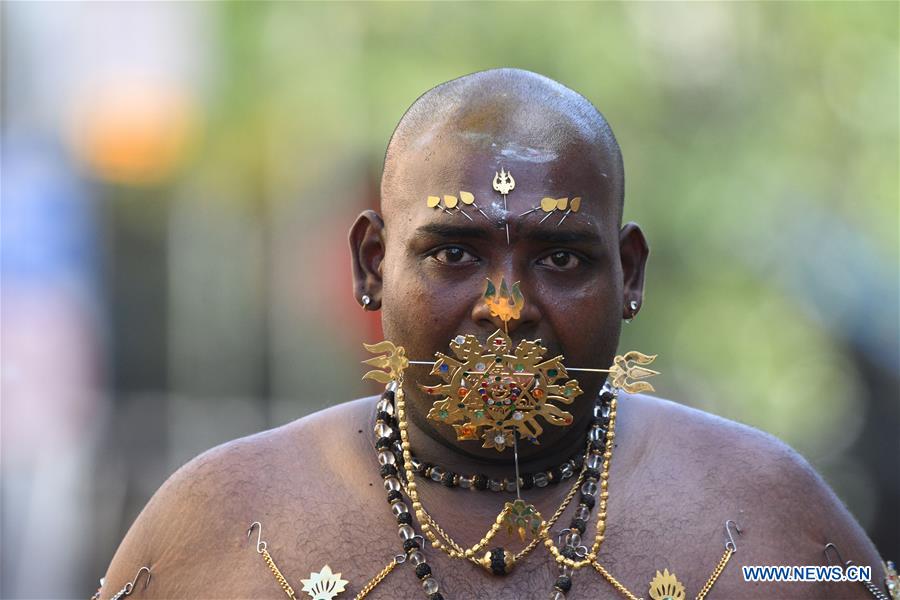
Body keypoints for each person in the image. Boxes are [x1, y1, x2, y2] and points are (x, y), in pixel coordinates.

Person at [100, 68, 886, 600]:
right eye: (452, 252)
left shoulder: (766, 517)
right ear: (372, 265)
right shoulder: (226, 521)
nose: (506, 306)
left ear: (630, 274)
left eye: (561, 258)